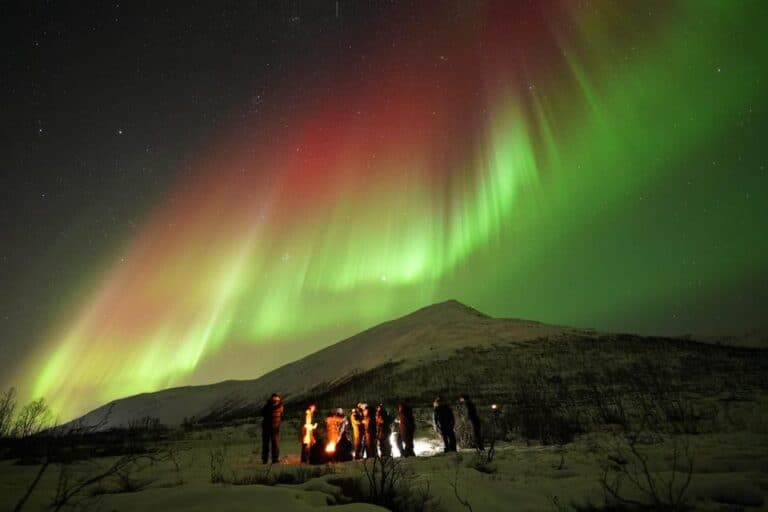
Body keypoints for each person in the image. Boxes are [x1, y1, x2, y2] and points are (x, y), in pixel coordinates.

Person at [261, 393, 284, 464]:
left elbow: (262, 412)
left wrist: (268, 403)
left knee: (266, 444)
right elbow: (281, 413)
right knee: (275, 444)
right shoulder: (280, 406)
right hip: (275, 428)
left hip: (267, 427)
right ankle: (275, 459)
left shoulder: (268, 406)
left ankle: (265, 459)